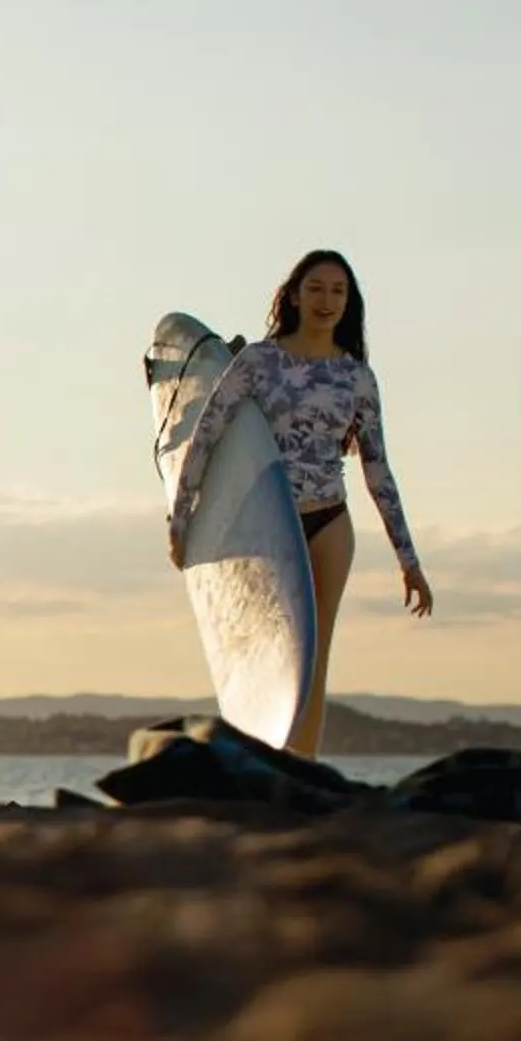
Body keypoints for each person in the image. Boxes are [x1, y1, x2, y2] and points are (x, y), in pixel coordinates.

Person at [167, 248, 435, 759]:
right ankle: (255, 761)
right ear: (293, 295)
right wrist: (180, 520)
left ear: (349, 302)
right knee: (263, 654)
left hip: (330, 523)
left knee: (313, 657)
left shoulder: (357, 377)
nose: (326, 300)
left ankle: (300, 770)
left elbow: (378, 469)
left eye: (338, 291)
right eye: (315, 288)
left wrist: (410, 562)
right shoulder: (259, 362)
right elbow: (205, 436)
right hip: (267, 522)